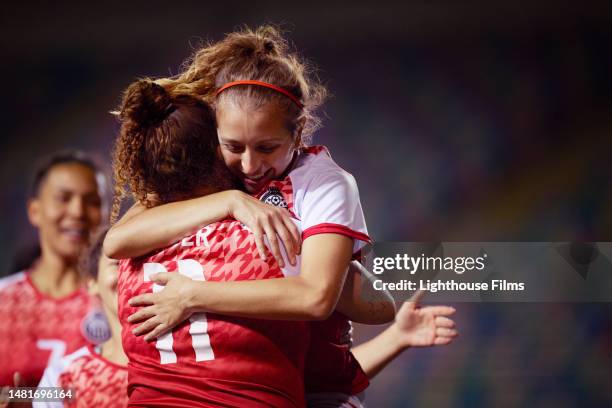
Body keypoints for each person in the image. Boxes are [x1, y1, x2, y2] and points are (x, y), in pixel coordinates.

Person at [106, 25, 456, 407]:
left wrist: (194, 296)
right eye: (233, 146)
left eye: (267, 147)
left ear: (298, 132)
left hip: (319, 392)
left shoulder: (323, 183)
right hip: (245, 386)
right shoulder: (214, 176)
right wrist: (230, 202)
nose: (250, 164)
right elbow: (117, 240)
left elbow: (319, 297)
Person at [0, 151, 106, 388]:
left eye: (92, 201)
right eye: (63, 198)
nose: (78, 211)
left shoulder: (114, 301)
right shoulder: (3, 299)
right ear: (34, 211)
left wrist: (31, 400)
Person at [34, 228, 128, 408]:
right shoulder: (61, 376)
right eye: (117, 263)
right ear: (91, 283)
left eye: (142, 262)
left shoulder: (189, 364)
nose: (130, 273)